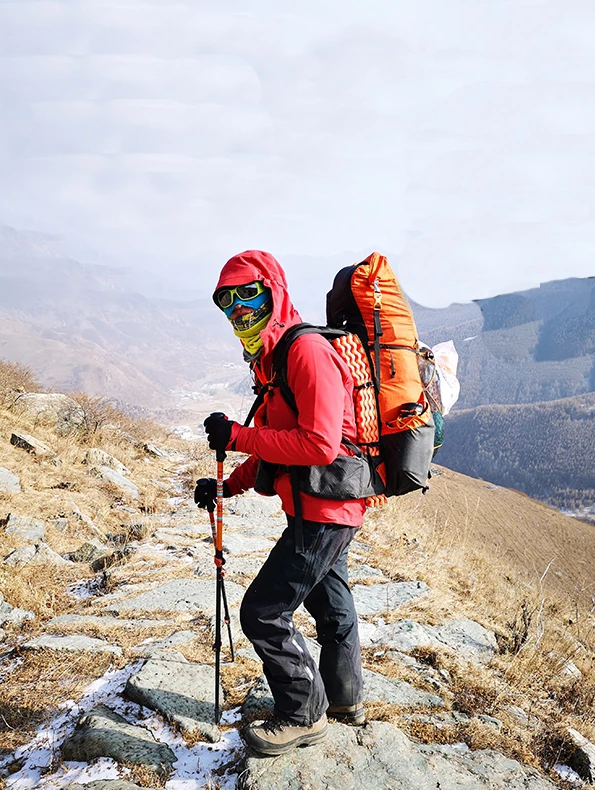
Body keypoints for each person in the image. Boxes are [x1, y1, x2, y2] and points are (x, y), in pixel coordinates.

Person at [194, 250, 365, 756]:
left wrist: (238, 436)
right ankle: (344, 703)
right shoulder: (272, 362)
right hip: (321, 505)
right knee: (332, 608)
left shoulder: (304, 351)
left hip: (326, 510)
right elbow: (275, 444)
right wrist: (228, 485)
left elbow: (318, 445)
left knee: (264, 611)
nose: (239, 308)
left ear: (274, 289)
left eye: (249, 293)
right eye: (227, 300)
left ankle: (301, 714)